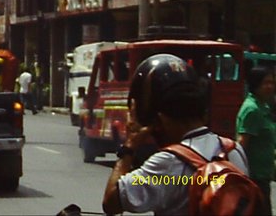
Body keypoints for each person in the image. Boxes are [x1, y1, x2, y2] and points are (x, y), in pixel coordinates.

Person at [102, 53, 249, 215]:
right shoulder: (234, 150)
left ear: (160, 120)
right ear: (204, 114)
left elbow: (112, 201)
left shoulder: (169, 162)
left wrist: (129, 147)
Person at [236, 65, 275, 214]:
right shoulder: (252, 110)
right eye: (266, 83)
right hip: (254, 179)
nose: (270, 87)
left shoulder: (262, 106)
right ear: (255, 84)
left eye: (272, 82)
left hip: (263, 176)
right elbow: (242, 145)